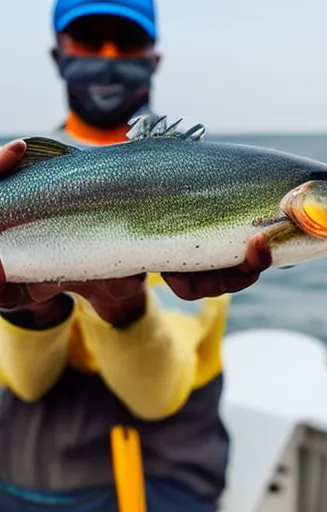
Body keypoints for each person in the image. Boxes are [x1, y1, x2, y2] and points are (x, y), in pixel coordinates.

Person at [0, 1, 271, 511]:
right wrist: (30, 310)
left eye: (125, 41)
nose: (108, 57)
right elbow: (27, 384)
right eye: (89, 39)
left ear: (154, 57)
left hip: (159, 486)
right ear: (58, 54)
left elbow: (158, 395)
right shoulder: (17, 178)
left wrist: (121, 309)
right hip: (28, 480)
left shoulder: (201, 182)